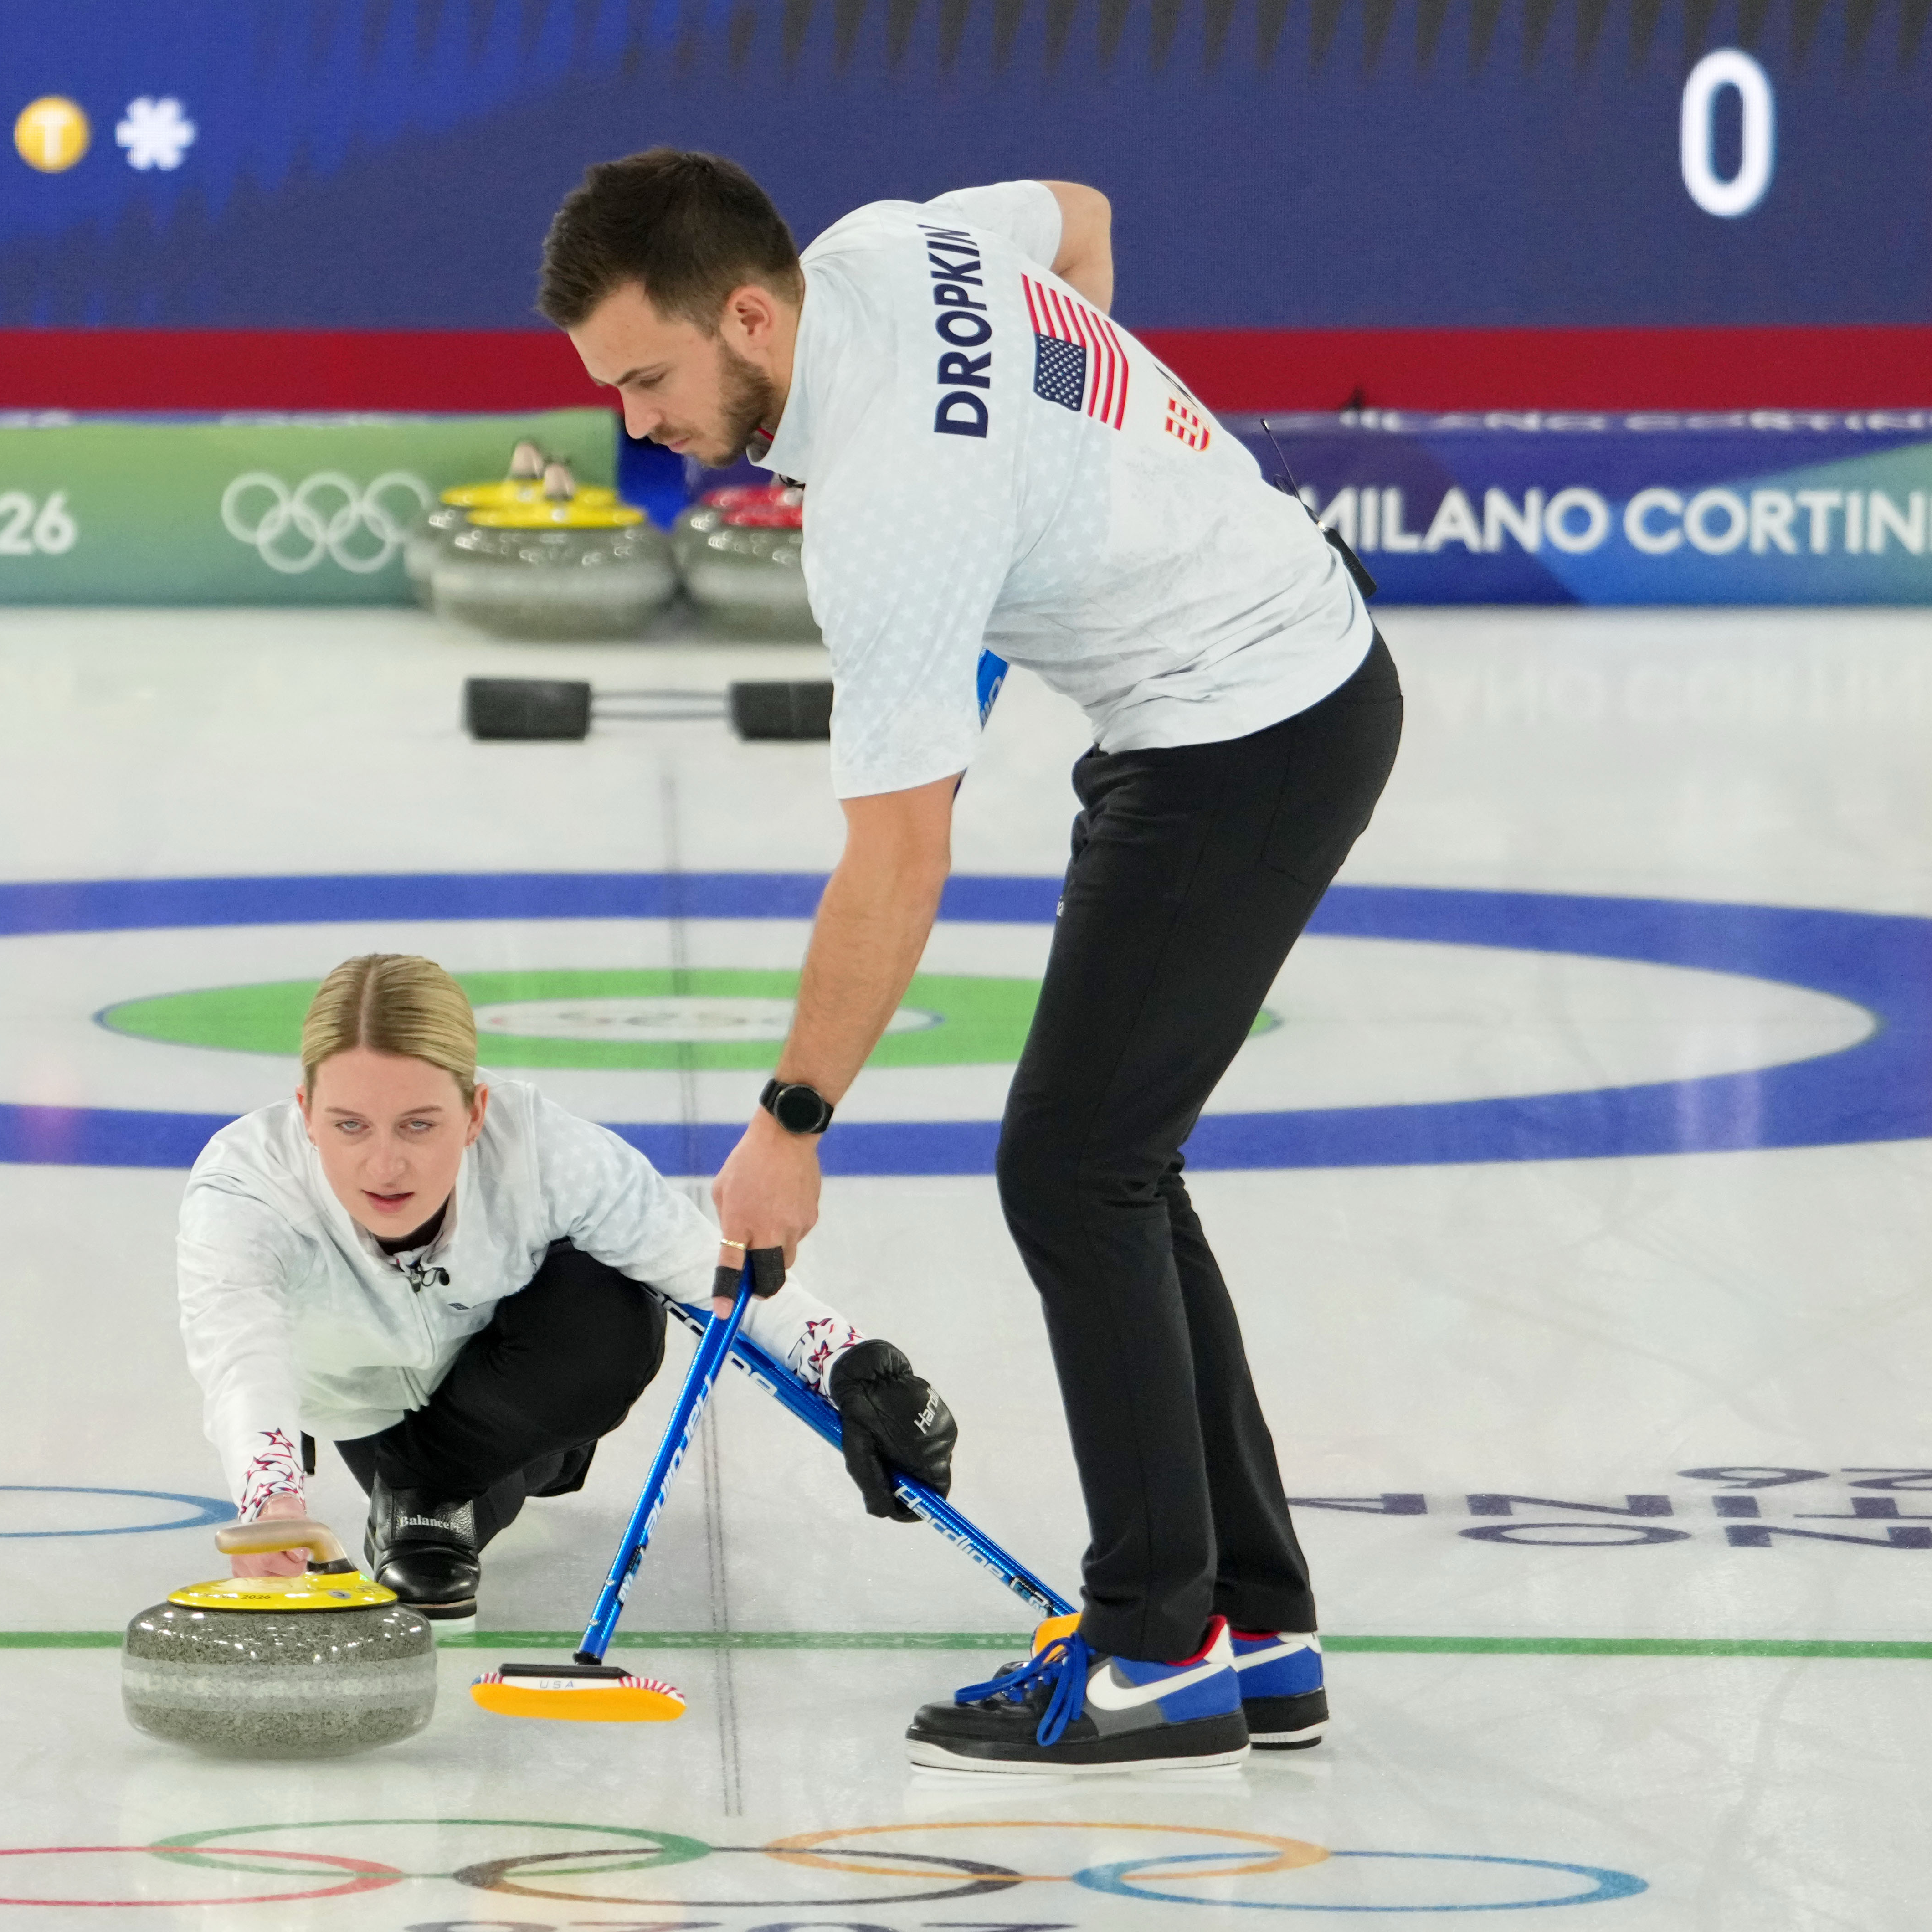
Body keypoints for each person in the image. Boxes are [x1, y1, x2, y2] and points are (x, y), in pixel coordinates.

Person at [537, 150, 1397, 1771]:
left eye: (648, 379)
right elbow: (1083, 210)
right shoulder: (886, 247)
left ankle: (1157, 1649)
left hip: (1245, 728)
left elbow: (899, 861)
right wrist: (1044, 490)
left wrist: (789, 1126)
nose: (635, 424)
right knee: (1118, 1164)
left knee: (1076, 1173)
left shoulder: (882, 513)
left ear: (746, 314)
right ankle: (1250, 1625)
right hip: (1265, 684)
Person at [176, 952, 960, 1621]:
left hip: (503, 1384)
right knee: (420, 1462)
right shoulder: (246, 1187)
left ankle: (434, 1493)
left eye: (419, 1124)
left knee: (615, 1305)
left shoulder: (542, 1148)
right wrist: (272, 1502)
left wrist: (857, 1367)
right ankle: (426, 1502)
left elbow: (696, 1263)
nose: (385, 1165)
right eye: (350, 1125)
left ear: (476, 1110)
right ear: (306, 1112)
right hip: (360, 1406)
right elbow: (242, 1349)